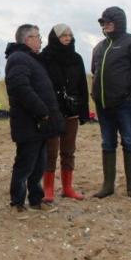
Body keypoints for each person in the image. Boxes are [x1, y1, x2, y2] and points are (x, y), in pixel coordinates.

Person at [91, 6, 131, 198]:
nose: (104, 25)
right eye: (102, 22)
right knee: (107, 143)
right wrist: (95, 96)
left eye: (108, 22)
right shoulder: (99, 47)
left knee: (129, 141)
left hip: (126, 104)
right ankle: (108, 185)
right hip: (103, 105)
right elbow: (95, 72)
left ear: (118, 22)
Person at [5, 24, 64, 211]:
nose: (40, 40)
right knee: (25, 164)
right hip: (29, 122)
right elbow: (20, 88)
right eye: (37, 36)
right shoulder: (18, 58)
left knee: (39, 164)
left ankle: (36, 199)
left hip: (40, 124)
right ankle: (17, 201)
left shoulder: (32, 59)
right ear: (26, 39)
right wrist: (42, 111)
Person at [39, 24, 90, 202]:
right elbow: (41, 85)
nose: (67, 38)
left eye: (70, 34)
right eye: (63, 35)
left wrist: (84, 111)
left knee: (68, 150)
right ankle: (48, 188)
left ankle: (67, 187)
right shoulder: (44, 57)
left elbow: (82, 86)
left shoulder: (76, 58)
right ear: (55, 37)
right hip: (52, 111)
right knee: (50, 150)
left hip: (72, 110)